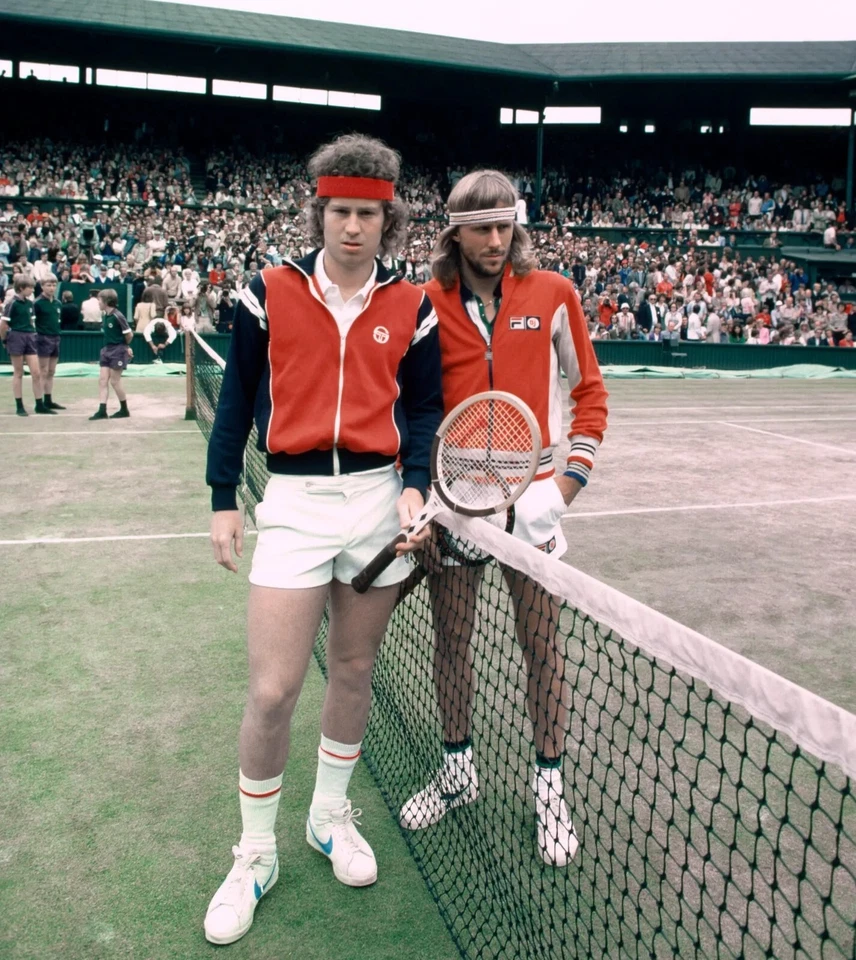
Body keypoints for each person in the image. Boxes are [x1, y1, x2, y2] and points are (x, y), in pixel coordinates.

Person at [202, 134, 444, 947]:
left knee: (354, 667)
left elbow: (421, 411)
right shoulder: (266, 291)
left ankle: (330, 817)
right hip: (296, 504)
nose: (353, 227)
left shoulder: (414, 306)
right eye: (341, 211)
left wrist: (415, 485)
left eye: (368, 214)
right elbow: (236, 397)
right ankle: (254, 853)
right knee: (272, 690)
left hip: (379, 502)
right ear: (321, 211)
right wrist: (221, 498)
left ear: (388, 219)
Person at [400, 170, 608, 868]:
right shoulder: (425, 302)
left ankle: (549, 788)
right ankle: (459, 771)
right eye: (481, 228)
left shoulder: (554, 294)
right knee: (451, 641)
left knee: (541, 647)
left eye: (505, 226)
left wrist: (565, 488)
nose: (495, 240)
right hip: (457, 507)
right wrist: (426, 497)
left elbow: (591, 397)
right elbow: (412, 411)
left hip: (537, 504)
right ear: (454, 232)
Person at [1, 275, 53, 416]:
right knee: (18, 373)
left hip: (30, 337)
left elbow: (32, 322)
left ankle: (39, 405)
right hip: (16, 337)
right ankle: (19, 406)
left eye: (32, 287)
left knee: (36, 373)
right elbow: (4, 325)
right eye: (29, 287)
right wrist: (5, 340)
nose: (31, 290)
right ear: (21, 288)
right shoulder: (12, 304)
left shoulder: (30, 304)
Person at [89, 288, 133, 420]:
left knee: (114, 381)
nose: (98, 303)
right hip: (106, 350)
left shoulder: (118, 316)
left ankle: (124, 409)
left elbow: (129, 335)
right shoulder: (106, 316)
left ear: (106, 301)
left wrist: (124, 347)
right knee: (102, 380)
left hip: (117, 351)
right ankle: (102, 411)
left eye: (99, 300)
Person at [34, 276, 65, 409]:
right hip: (43, 338)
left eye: (53, 285)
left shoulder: (58, 303)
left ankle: (48, 399)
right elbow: (33, 322)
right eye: (48, 285)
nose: (51, 288)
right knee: (43, 370)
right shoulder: (37, 303)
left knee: (51, 371)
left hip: (55, 337)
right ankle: (39, 402)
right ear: (42, 286)